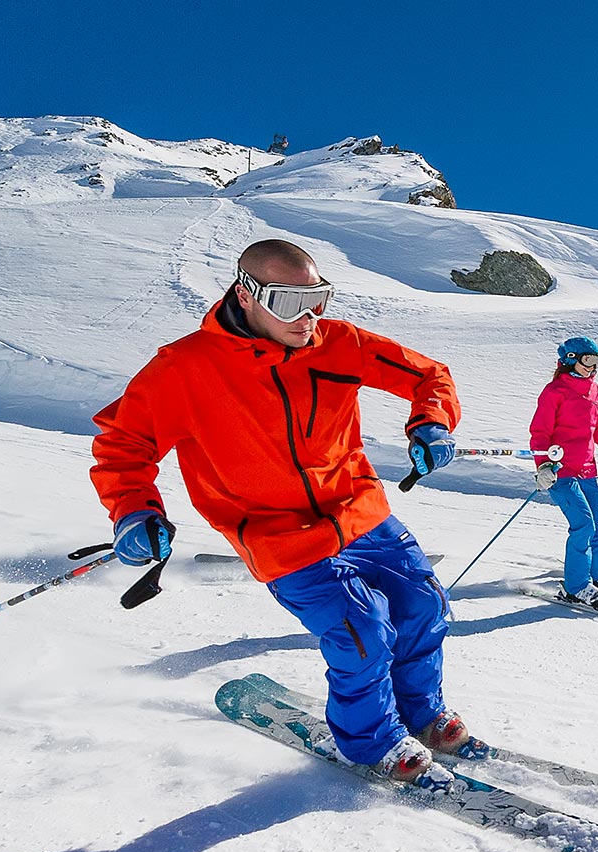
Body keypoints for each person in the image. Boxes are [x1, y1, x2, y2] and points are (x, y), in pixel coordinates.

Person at [90, 239, 474, 785]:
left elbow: (429, 375)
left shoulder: (339, 343)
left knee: (423, 605)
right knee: (361, 630)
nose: (310, 316)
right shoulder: (185, 368)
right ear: (246, 295)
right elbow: (123, 445)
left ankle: (421, 713)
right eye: (289, 301)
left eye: (318, 297)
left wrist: (431, 422)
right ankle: (372, 744)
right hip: (277, 533)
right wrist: (133, 510)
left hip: (359, 507)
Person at [529, 336, 598, 611]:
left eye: (597, 362)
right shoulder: (554, 391)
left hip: (587, 471)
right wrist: (543, 466)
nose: (593, 367)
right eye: (588, 361)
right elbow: (540, 433)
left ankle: (595, 579)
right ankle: (575, 587)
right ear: (570, 359)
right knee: (583, 525)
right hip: (560, 472)